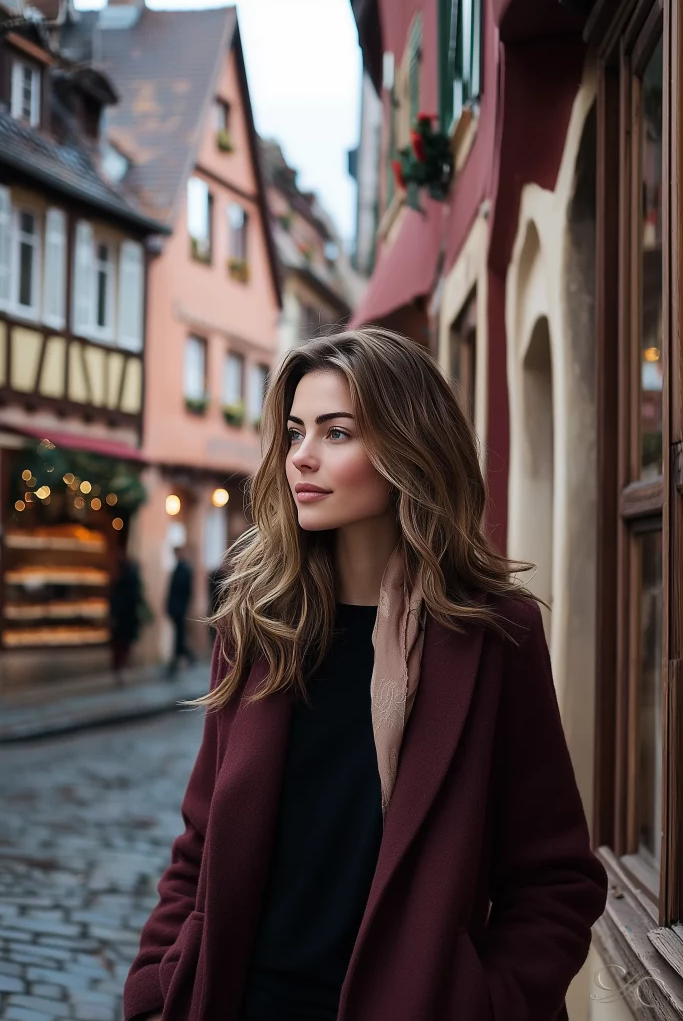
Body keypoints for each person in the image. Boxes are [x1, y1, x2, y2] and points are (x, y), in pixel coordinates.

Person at [123, 328, 608, 1021]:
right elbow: (199, 846)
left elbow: (555, 879)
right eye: (295, 432)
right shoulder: (258, 623)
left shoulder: (493, 634)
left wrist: (483, 1003)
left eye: (337, 432)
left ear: (410, 447)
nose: (302, 456)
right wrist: (154, 989)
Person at [109, 555, 144, 680]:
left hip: (123, 618)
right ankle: (122, 667)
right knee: (124, 644)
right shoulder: (132, 580)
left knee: (121, 643)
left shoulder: (124, 580)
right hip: (127, 618)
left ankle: (120, 668)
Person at [165, 545, 196, 677]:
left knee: (179, 636)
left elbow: (186, 591)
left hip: (179, 608)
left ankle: (178, 660)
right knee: (179, 636)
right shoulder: (179, 568)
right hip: (176, 608)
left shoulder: (184, 569)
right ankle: (185, 656)